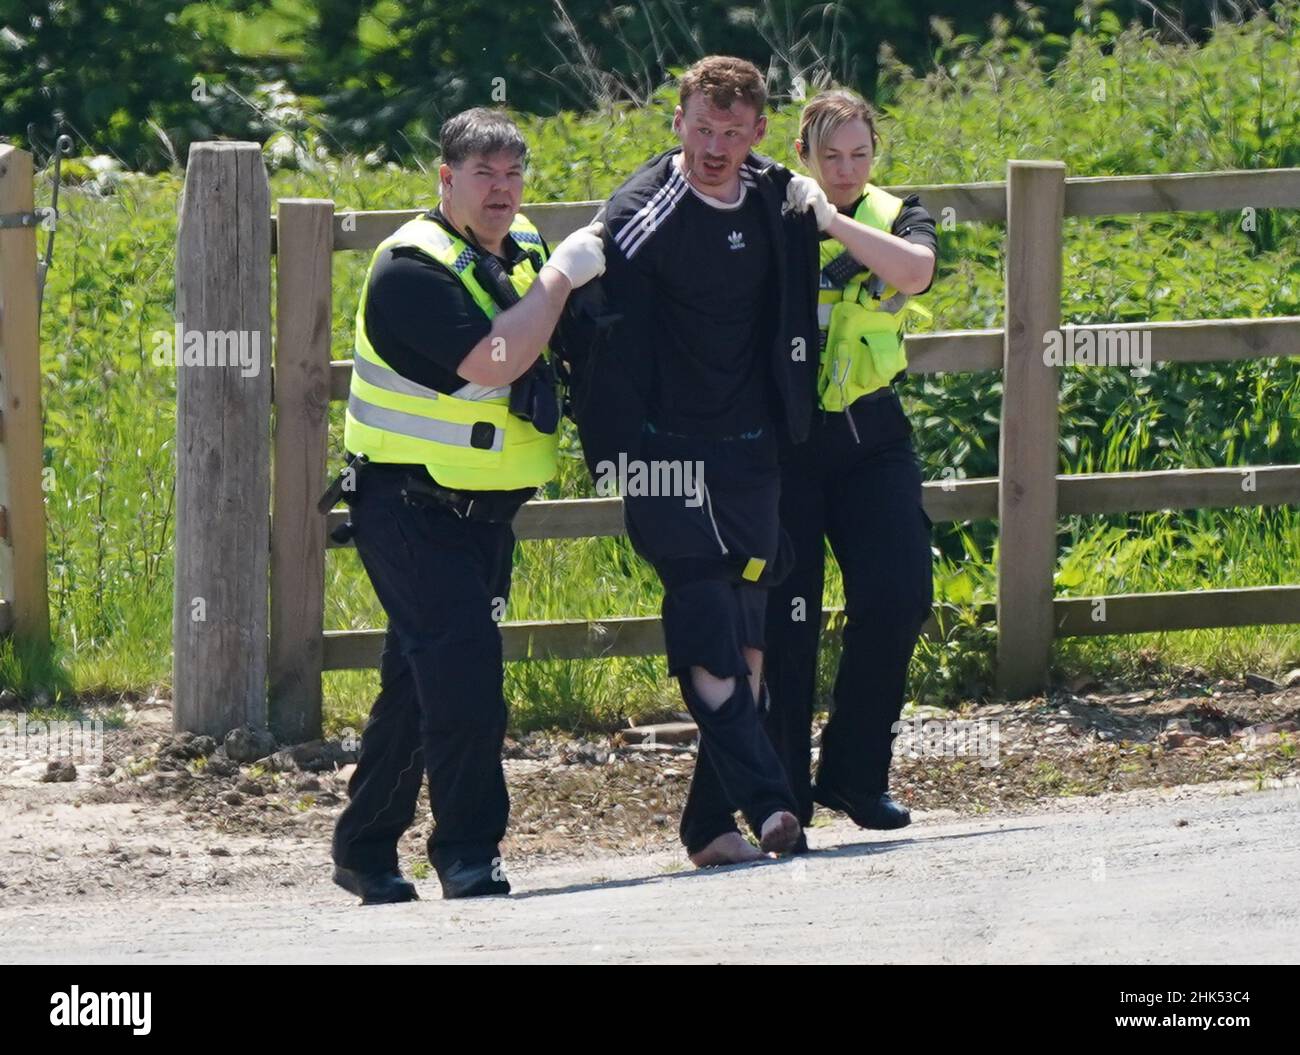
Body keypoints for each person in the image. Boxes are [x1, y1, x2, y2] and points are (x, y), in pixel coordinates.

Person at [329, 107, 605, 903]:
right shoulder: (409, 269)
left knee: (420, 681)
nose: (502, 190)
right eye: (483, 174)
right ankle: (468, 854)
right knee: (466, 680)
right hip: (408, 506)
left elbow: (571, 348)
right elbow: (497, 357)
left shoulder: (521, 251)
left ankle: (365, 845)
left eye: (514, 174)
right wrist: (561, 278)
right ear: (445, 179)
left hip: (484, 513)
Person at [566, 56, 820, 866]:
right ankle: (774, 802)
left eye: (732, 133)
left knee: (749, 639)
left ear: (757, 133)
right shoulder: (643, 213)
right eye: (702, 129)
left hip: (751, 446)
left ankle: (707, 828)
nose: (715, 147)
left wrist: (818, 207)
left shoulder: (773, 197)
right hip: (664, 453)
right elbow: (579, 310)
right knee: (706, 616)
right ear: (677, 124)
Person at [768, 88, 938, 845]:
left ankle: (855, 774)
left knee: (900, 596)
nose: (845, 168)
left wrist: (833, 223)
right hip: (787, 446)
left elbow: (916, 274)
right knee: (788, 620)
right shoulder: (765, 212)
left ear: (876, 154)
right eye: (830, 156)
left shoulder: (898, 213)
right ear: (802, 153)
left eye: (859, 154)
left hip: (872, 438)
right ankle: (782, 795)